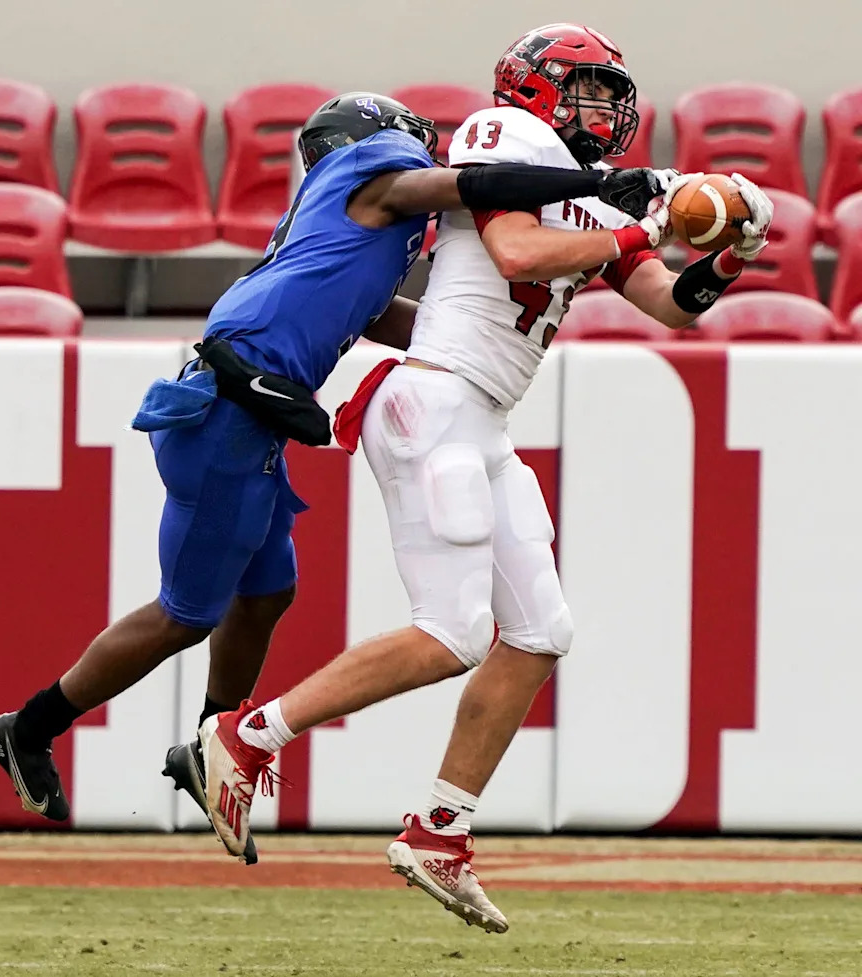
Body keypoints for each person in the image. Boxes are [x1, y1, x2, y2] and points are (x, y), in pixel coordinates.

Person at [0, 89, 670, 863]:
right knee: (186, 612)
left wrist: (498, 329)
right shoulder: (378, 168)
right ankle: (30, 727)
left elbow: (404, 321)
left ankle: (212, 742)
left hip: (255, 408)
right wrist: (596, 189)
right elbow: (473, 186)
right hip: (230, 398)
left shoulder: (362, 241)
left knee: (269, 592)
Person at [197, 24, 774, 930]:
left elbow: (673, 307)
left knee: (541, 631)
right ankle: (244, 733)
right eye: (584, 87)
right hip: (435, 401)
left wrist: (730, 252)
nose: (603, 108)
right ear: (536, 88)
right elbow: (518, 254)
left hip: (482, 420)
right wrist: (653, 214)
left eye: (606, 91)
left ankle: (439, 829)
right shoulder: (508, 136)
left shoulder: (587, 193)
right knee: (453, 631)